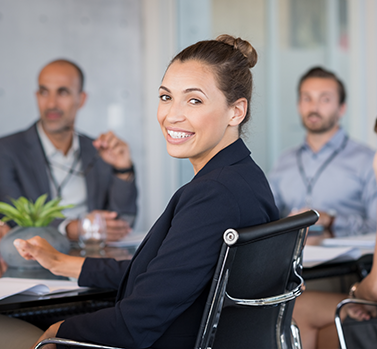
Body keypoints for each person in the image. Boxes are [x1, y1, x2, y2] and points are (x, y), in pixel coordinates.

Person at [0, 35, 279, 349]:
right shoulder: (242, 177)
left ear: (236, 112)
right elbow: (161, 274)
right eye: (165, 97)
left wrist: (57, 328)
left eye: (194, 100)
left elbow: (136, 323)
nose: (172, 115)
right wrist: (63, 262)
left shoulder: (214, 195)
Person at [0, 59, 137, 241]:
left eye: (62, 92)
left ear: (81, 99)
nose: (51, 104)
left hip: (92, 259)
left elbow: (124, 222)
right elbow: (14, 219)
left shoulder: (98, 150)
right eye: (44, 92)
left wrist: (123, 170)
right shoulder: (7, 150)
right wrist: (73, 229)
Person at [292, 120, 377, 349]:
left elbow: (375, 288)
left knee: (298, 310)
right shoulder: (286, 160)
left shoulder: (360, 157)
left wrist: (356, 292)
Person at [269, 67, 377, 237]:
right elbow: (266, 217)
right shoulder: (284, 160)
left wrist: (332, 220)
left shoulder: (368, 160)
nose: (314, 107)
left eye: (325, 99)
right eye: (307, 98)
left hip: (349, 262)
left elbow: (375, 226)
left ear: (341, 108)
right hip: (288, 260)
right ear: (298, 106)